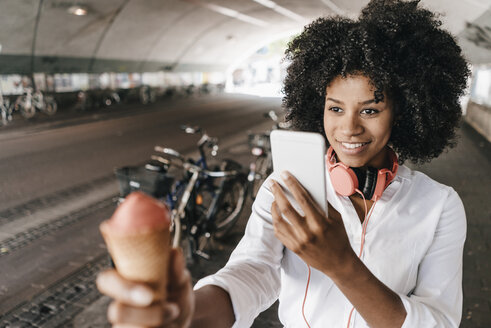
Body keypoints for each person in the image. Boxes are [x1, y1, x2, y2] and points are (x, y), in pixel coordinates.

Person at [96, 0, 470, 327]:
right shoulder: (288, 185)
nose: (349, 128)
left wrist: (342, 265)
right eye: (335, 108)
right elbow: (251, 272)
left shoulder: (439, 206)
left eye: (370, 110)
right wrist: (188, 314)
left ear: (403, 114)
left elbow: (438, 321)